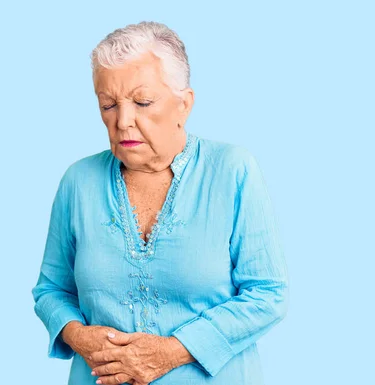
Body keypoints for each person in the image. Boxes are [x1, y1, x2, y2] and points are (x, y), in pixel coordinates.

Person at [31, 21, 289, 385]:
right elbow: (50, 291)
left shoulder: (232, 170)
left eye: (142, 102)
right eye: (108, 105)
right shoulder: (79, 181)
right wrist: (78, 335)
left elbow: (268, 295)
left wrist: (172, 351)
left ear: (184, 104)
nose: (123, 121)